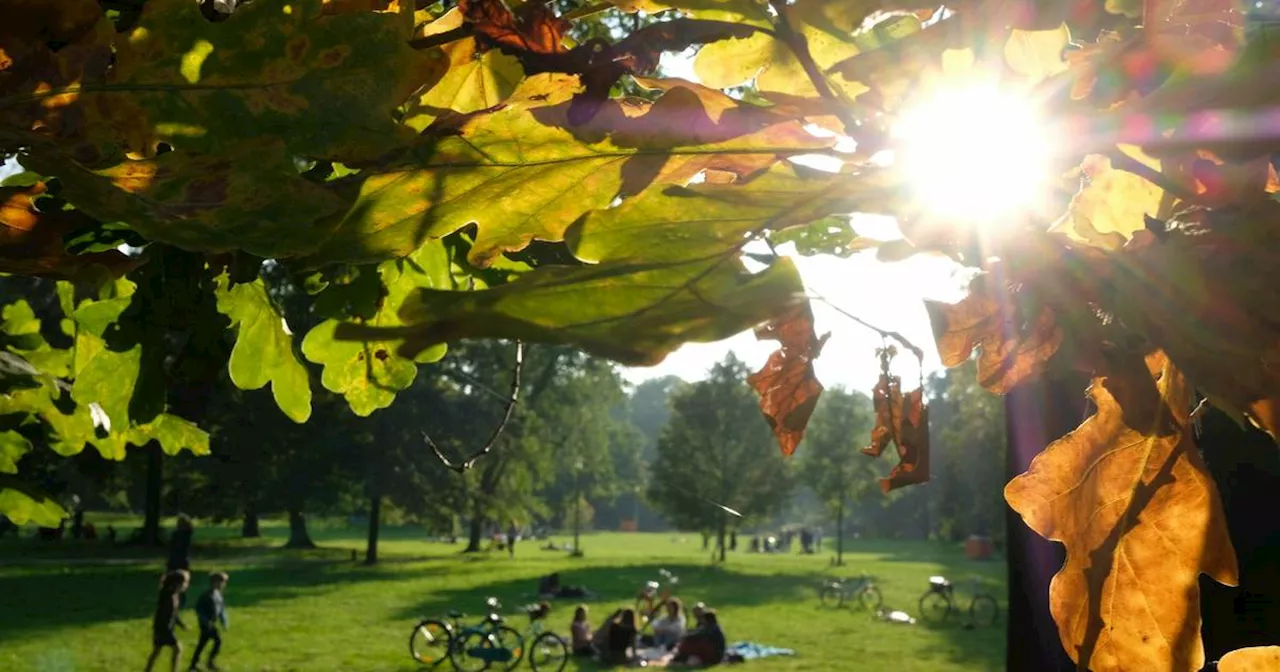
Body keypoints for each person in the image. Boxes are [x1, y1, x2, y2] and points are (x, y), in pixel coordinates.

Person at [145, 569, 189, 672]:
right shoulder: (168, 596)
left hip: (165, 627)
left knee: (157, 650)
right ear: (178, 583)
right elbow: (163, 614)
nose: (186, 585)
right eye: (185, 582)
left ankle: (147, 670)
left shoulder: (174, 595)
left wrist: (181, 624)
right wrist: (164, 629)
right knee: (177, 649)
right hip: (163, 628)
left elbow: (174, 614)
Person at [189, 572, 230, 671]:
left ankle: (194, 665)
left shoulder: (218, 594)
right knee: (217, 640)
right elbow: (198, 609)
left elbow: (221, 608)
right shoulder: (207, 595)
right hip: (206, 623)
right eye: (221, 583)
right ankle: (209, 663)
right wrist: (205, 620)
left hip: (211, 623)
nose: (223, 585)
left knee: (202, 643)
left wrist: (223, 620)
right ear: (214, 582)